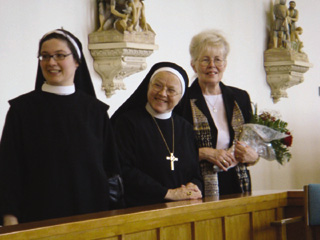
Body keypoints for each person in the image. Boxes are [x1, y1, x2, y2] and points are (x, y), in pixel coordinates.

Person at [0, 29, 120, 226]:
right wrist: (10, 219)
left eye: (60, 55)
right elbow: (9, 170)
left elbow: (111, 170)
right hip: (38, 218)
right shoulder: (21, 110)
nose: (51, 62)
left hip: (91, 217)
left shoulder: (96, 112)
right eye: (45, 56)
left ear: (77, 61)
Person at [178, 30, 259, 197]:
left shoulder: (240, 98)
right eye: (205, 60)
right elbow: (173, 149)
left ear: (225, 63)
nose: (212, 66)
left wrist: (253, 155)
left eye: (218, 60)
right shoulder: (182, 99)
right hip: (197, 184)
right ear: (193, 64)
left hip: (238, 182)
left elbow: (253, 143)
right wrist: (205, 153)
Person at [111, 62, 203, 207]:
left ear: (181, 96)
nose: (162, 93)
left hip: (182, 207)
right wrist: (167, 193)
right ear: (148, 86)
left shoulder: (185, 128)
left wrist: (193, 187)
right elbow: (123, 169)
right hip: (141, 208)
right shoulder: (127, 123)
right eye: (157, 85)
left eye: (171, 90)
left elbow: (195, 171)